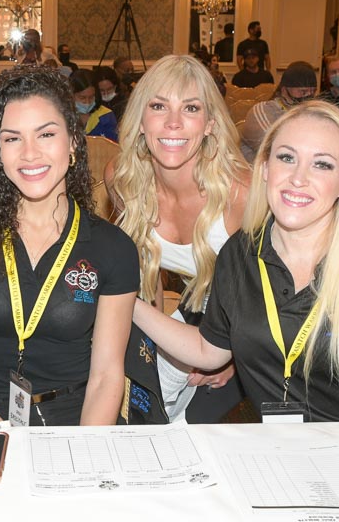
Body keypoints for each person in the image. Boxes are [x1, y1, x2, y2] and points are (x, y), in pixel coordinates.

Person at [131, 101, 339, 422]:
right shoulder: (239, 254)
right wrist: (127, 302)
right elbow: (209, 351)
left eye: (322, 164)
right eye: (287, 158)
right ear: (265, 168)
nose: (298, 178)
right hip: (280, 448)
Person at [0, 66, 138, 427]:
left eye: (46, 134)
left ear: (73, 141)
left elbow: (106, 377)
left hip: (74, 422)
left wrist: (85, 449)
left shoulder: (113, 248)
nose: (30, 154)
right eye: (12, 139)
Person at [106, 54, 249, 424]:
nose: (173, 122)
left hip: (252, 329)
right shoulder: (123, 180)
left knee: (185, 430)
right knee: (141, 417)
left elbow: (280, 298)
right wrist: (145, 350)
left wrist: (238, 358)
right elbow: (144, 275)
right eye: (158, 106)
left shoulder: (242, 195)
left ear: (210, 124)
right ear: (140, 121)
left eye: (191, 108)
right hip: (193, 310)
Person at [241, 61, 318, 162]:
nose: (308, 96)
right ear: (284, 90)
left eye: (313, 92)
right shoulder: (262, 110)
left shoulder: (312, 113)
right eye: (303, 92)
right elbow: (276, 150)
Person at [70, 69, 118, 141]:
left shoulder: (106, 116)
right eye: (82, 98)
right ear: (71, 95)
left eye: (91, 97)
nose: (87, 102)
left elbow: (112, 145)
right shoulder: (63, 115)